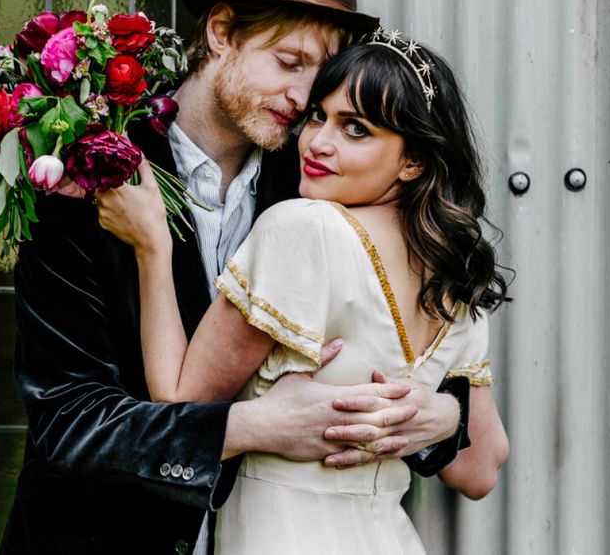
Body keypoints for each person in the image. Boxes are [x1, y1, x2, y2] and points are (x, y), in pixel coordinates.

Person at [0, 0, 470, 555]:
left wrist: (443, 421)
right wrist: (251, 426)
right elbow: (69, 422)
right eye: (289, 63)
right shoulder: (93, 176)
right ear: (220, 32)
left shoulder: (314, 185)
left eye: (321, 74)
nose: (306, 99)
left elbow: (392, 340)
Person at [96, 34, 511, 553]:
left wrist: (152, 247)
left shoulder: (303, 228)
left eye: (356, 129)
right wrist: (442, 415)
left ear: (414, 162)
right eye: (318, 115)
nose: (317, 142)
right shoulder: (455, 275)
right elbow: (480, 470)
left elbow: (181, 404)